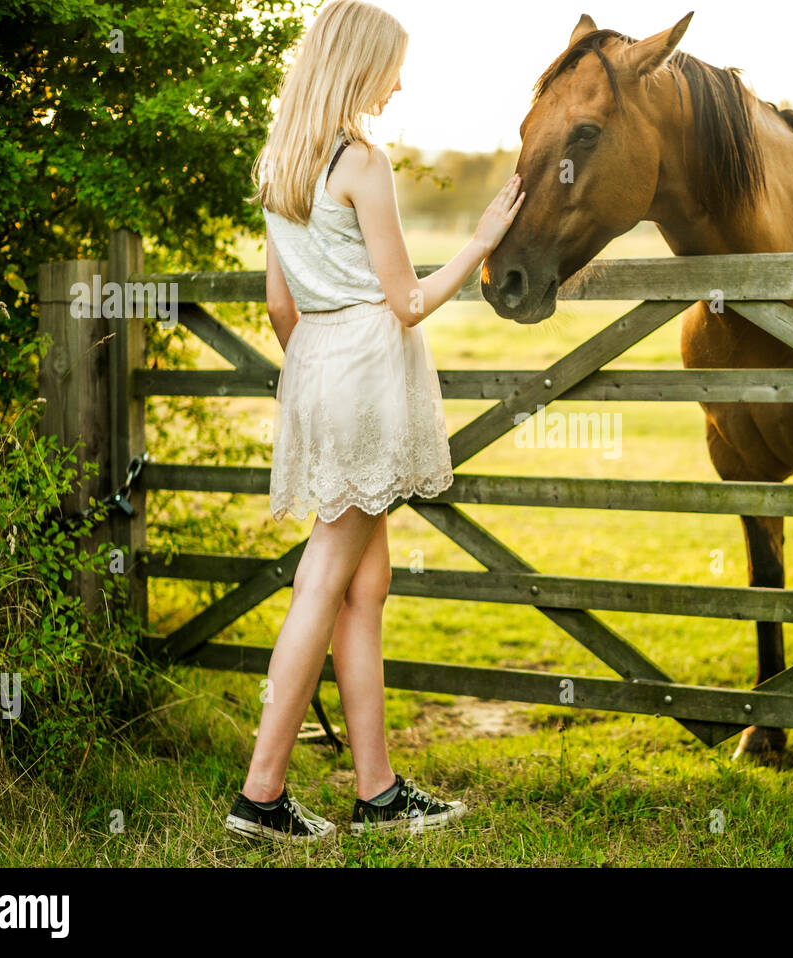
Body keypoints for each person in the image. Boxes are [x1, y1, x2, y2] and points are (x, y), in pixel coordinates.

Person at [224, 0, 524, 843]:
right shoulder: (361, 159)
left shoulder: (279, 159)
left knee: (365, 584)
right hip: (363, 367)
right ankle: (261, 795)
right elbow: (410, 300)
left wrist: (319, 371)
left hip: (316, 363)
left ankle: (380, 793)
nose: (401, 80)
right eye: (394, 64)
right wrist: (483, 237)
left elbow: (281, 304)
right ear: (358, 65)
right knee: (325, 577)